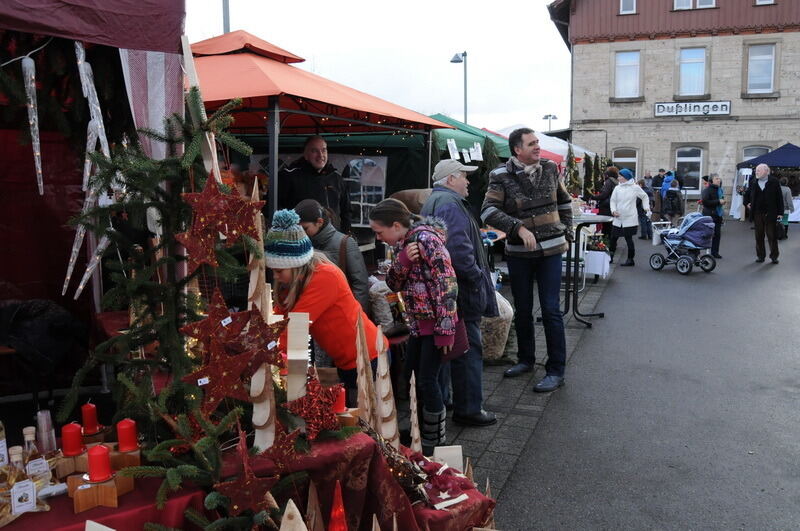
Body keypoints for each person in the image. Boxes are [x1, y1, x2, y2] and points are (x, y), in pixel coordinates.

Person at [481, 128, 572, 393]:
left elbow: (564, 202)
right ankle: (526, 360)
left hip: (551, 251)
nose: (537, 147)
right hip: (520, 253)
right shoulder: (499, 175)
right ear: (517, 150)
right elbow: (488, 210)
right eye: (531, 143)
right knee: (523, 308)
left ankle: (556, 370)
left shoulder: (551, 169)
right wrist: (518, 228)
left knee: (551, 310)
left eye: (538, 142)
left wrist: (566, 231)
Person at [369, 198, 458, 454]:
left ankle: (435, 438)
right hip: (418, 325)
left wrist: (445, 330)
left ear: (396, 225)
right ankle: (419, 429)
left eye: (379, 232)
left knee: (428, 380)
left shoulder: (428, 241)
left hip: (434, 327)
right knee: (413, 377)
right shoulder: (404, 245)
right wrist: (404, 261)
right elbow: (394, 283)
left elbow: (448, 286)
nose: (378, 238)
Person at [265, 209, 381, 402]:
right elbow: (280, 319)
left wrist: (274, 359)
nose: (275, 276)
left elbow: (295, 325)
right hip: (347, 359)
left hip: (367, 358)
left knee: (364, 419)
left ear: (296, 265)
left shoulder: (324, 276)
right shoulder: (295, 281)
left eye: (278, 271)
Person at [420, 159, 499, 427]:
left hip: (445, 289)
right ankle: (469, 409)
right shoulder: (450, 205)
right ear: (450, 179)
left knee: (449, 347)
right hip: (461, 289)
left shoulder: (434, 201)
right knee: (467, 349)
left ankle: (446, 399)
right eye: (464, 176)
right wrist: (478, 276)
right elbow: (459, 252)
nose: (468, 181)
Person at [294, 199, 369, 312]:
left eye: (305, 228)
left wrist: (358, 317)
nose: (302, 233)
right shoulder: (301, 243)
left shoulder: (346, 243)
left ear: (319, 222)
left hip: (342, 313)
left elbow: (360, 284)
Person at [278, 135, 352, 232]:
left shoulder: (337, 179)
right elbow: (275, 208)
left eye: (323, 150)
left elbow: (346, 212)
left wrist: (345, 235)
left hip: (332, 240)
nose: (320, 155)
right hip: (300, 241)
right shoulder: (288, 176)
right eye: (314, 151)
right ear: (306, 155)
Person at [609, 169, 651, 266]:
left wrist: (646, 208)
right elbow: (613, 201)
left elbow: (644, 196)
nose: (618, 178)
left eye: (620, 176)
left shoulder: (635, 187)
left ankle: (630, 259)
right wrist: (613, 210)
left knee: (628, 239)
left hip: (629, 218)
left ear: (626, 177)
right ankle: (610, 257)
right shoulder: (617, 188)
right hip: (618, 218)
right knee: (613, 238)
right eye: (618, 176)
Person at [748, 163, 783, 263]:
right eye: (756, 170)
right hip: (757, 213)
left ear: (766, 171)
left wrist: (780, 212)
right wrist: (747, 203)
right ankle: (760, 256)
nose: (756, 172)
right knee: (759, 236)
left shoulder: (774, 182)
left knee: (772, 235)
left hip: (770, 213)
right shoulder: (753, 181)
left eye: (759, 170)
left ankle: (774, 256)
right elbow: (747, 194)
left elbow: (779, 198)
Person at [586, 166, 619, 235]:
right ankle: (611, 243)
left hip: (606, 207)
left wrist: (592, 197)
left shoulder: (609, 181)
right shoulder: (615, 181)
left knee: (606, 227)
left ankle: (607, 243)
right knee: (610, 226)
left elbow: (604, 194)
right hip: (612, 206)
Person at [701, 174, 725, 258]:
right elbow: (705, 201)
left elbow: (721, 199)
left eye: (719, 178)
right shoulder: (707, 190)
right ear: (711, 181)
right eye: (716, 178)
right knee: (708, 234)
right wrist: (718, 201)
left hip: (718, 214)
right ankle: (702, 251)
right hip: (710, 214)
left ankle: (715, 252)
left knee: (717, 234)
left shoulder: (720, 189)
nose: (719, 180)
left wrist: (722, 201)